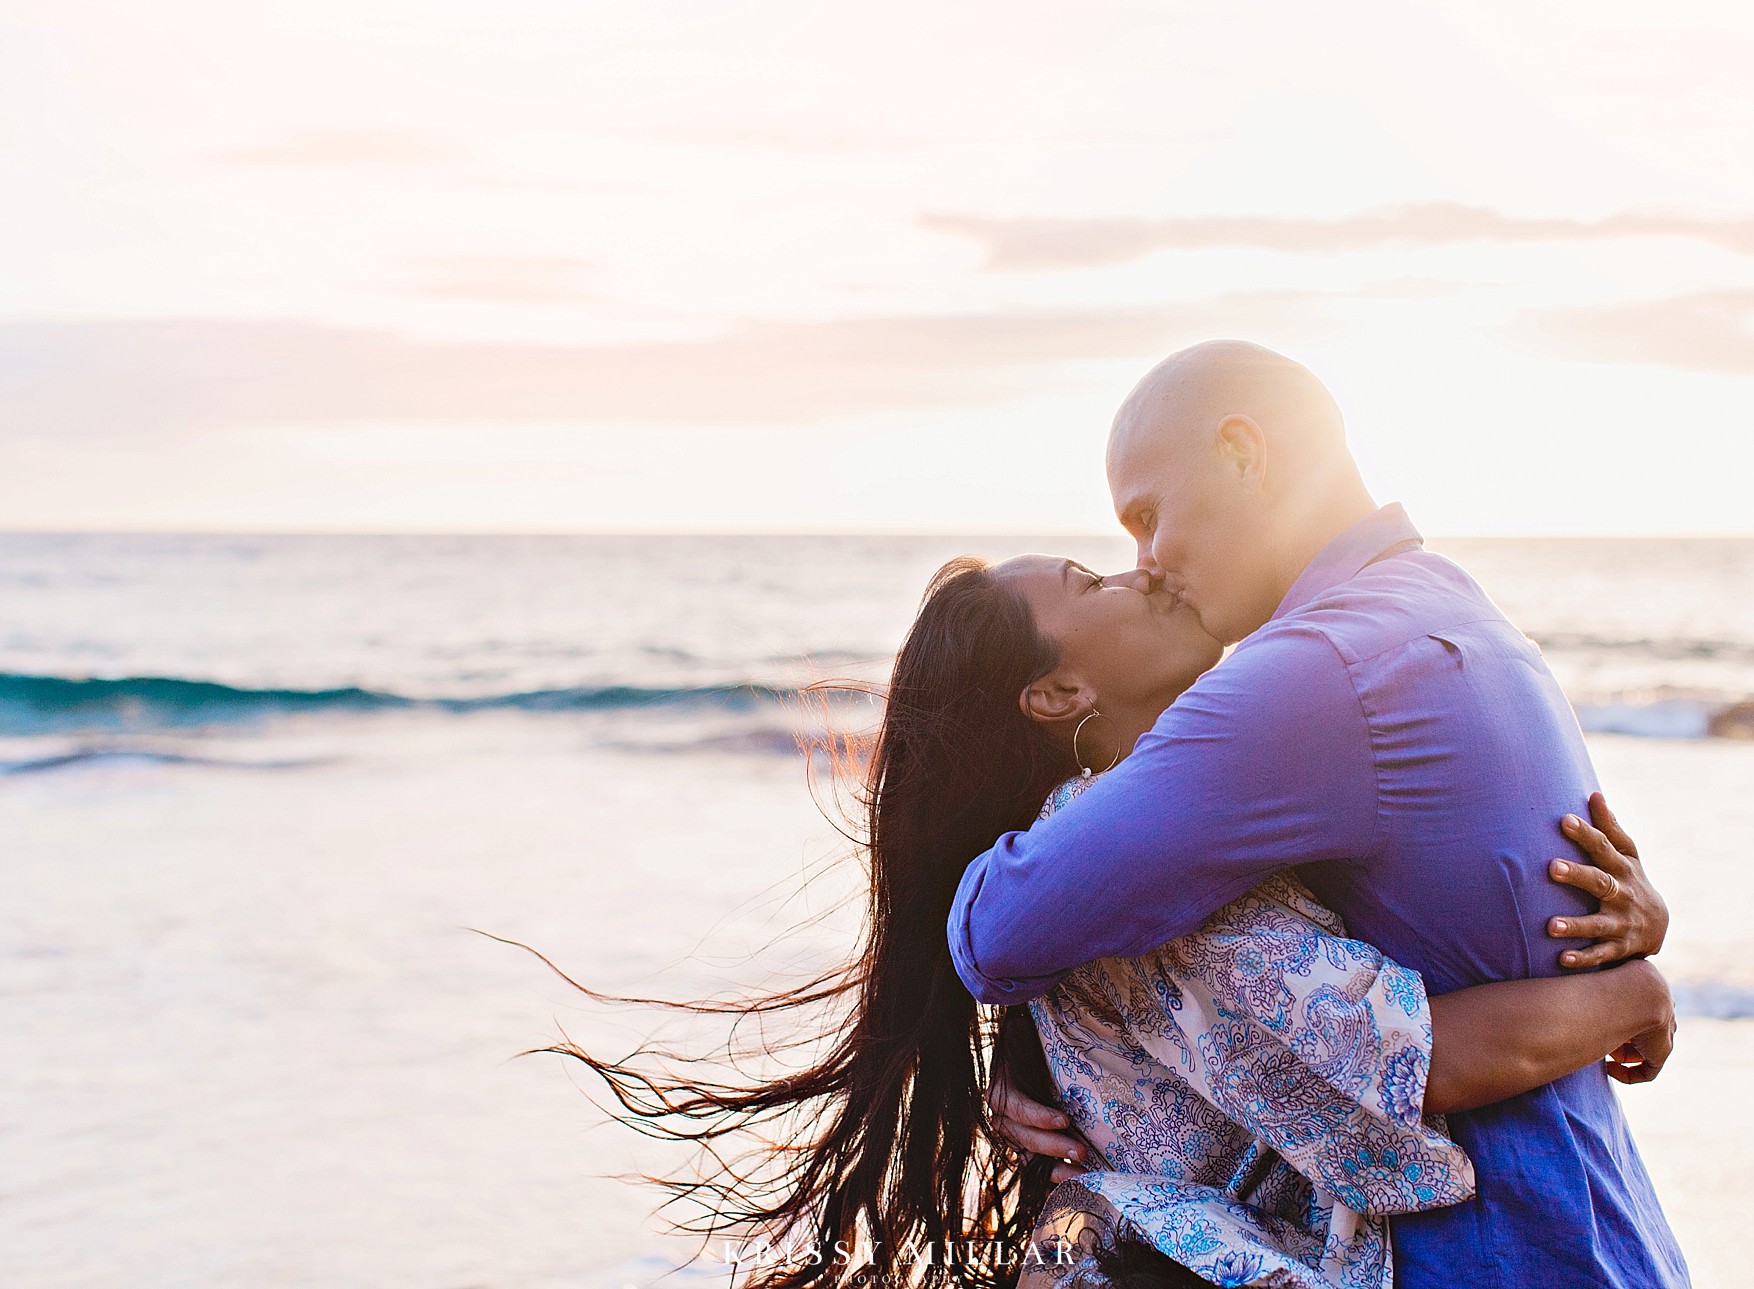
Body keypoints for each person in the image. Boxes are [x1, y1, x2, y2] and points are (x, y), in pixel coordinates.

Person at [556, 551, 1672, 1289]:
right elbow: (1410, 1062)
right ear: (1055, 696)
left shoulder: (1154, 840)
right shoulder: (1142, 881)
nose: (1141, 566)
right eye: (1092, 579)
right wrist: (1636, 988)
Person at [948, 342, 1689, 1288]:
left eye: (1148, 515)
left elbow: (998, 928)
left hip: (1482, 1249)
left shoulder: (1311, 673)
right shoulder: (1454, 609)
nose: (1147, 564)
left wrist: (1643, 990)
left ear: (1244, 455)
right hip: (1603, 1230)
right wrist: (1038, 1057)